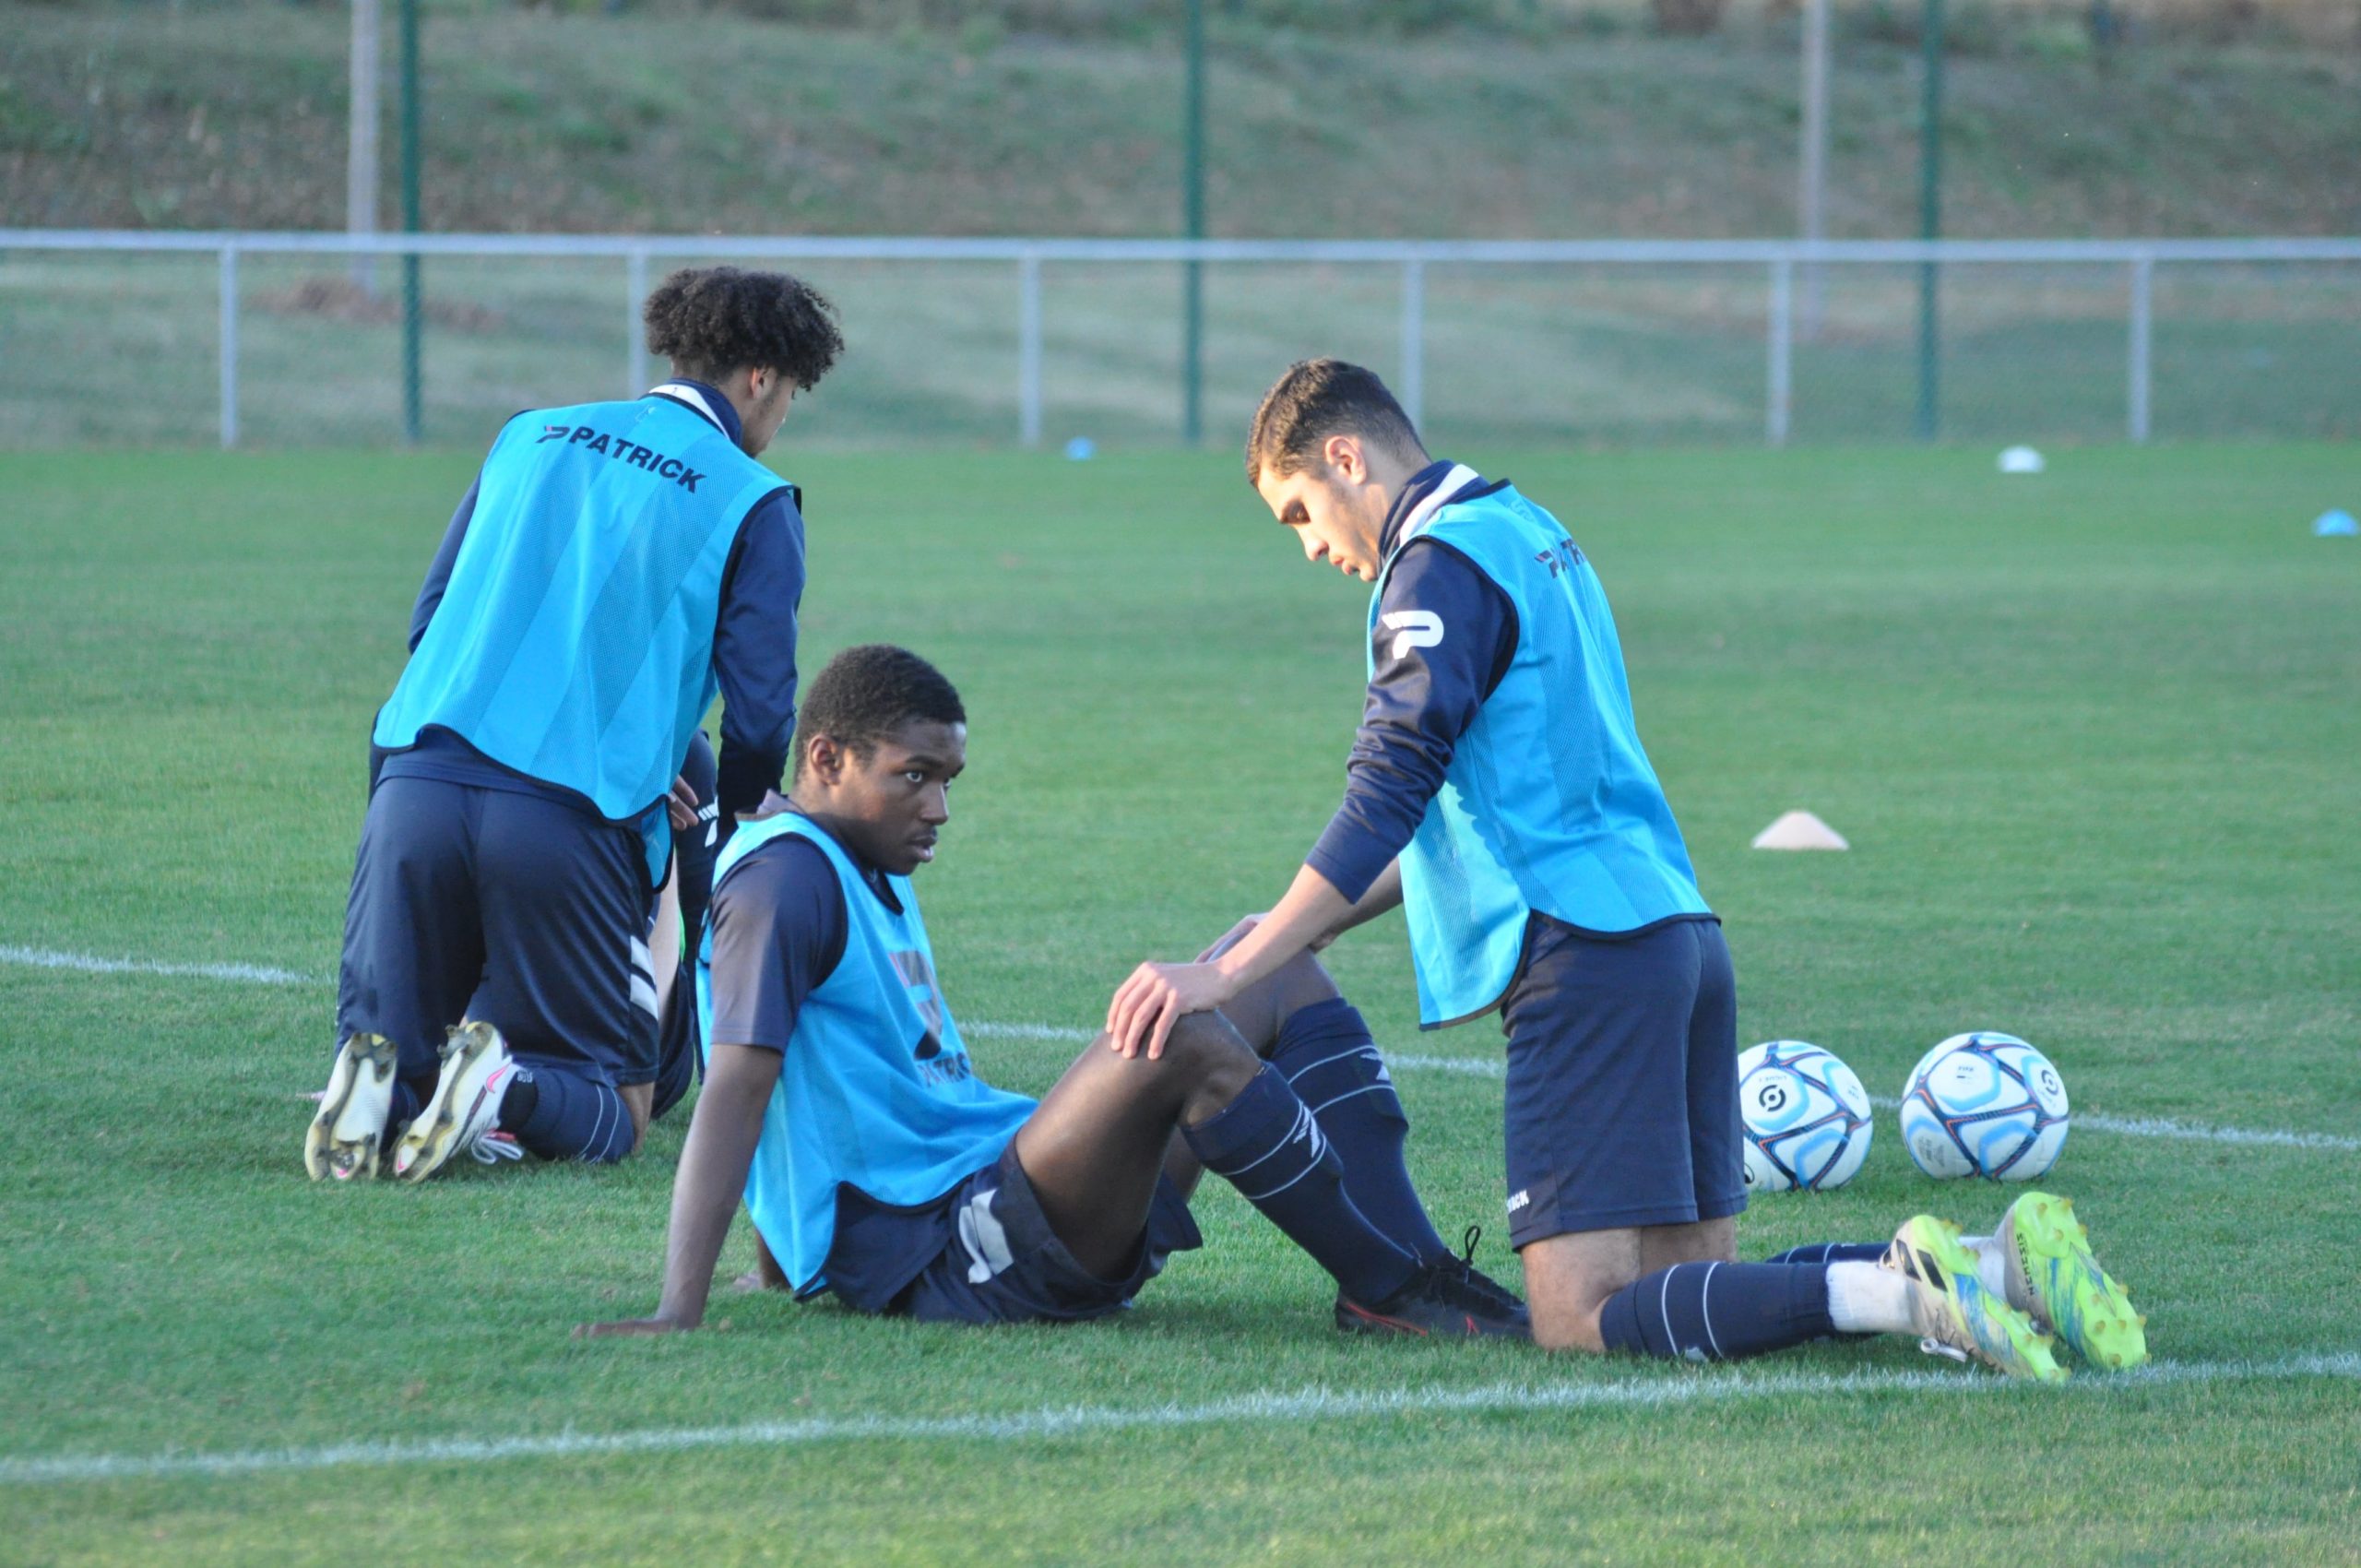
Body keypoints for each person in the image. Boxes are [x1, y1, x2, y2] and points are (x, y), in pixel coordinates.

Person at [1103, 358, 2146, 1378]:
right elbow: (1510, 797)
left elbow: (1388, 790)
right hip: (1675, 935)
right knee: (1685, 1290)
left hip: (1582, 958)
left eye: (1297, 511)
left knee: (1577, 1316)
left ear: (1344, 455)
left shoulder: (1430, 568)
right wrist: (1310, 924)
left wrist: (1228, 973)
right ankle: (1996, 1267)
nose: (1308, 545)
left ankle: (1900, 1292)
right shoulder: (1528, 530)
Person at [580, 645, 1526, 1338]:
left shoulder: (849, 862)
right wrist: (681, 1303)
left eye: (947, 778)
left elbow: (831, 1095)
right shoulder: (784, 883)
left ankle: (1411, 1264)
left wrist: (786, 1258)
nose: (940, 807)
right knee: (1189, 1031)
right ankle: (1387, 1287)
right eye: (914, 776)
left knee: (1263, 960)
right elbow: (742, 1088)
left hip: (1002, 1187)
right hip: (956, 1244)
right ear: (824, 759)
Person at [305, 267, 841, 1184]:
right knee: (617, 1108)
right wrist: (733, 819)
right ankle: (502, 1087)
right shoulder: (754, 498)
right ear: (760, 378)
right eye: (789, 395)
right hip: (567, 814)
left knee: (402, 1033)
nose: (781, 415)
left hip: (413, 781)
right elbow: (759, 715)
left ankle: (373, 1077)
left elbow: (430, 623)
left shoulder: (529, 435)